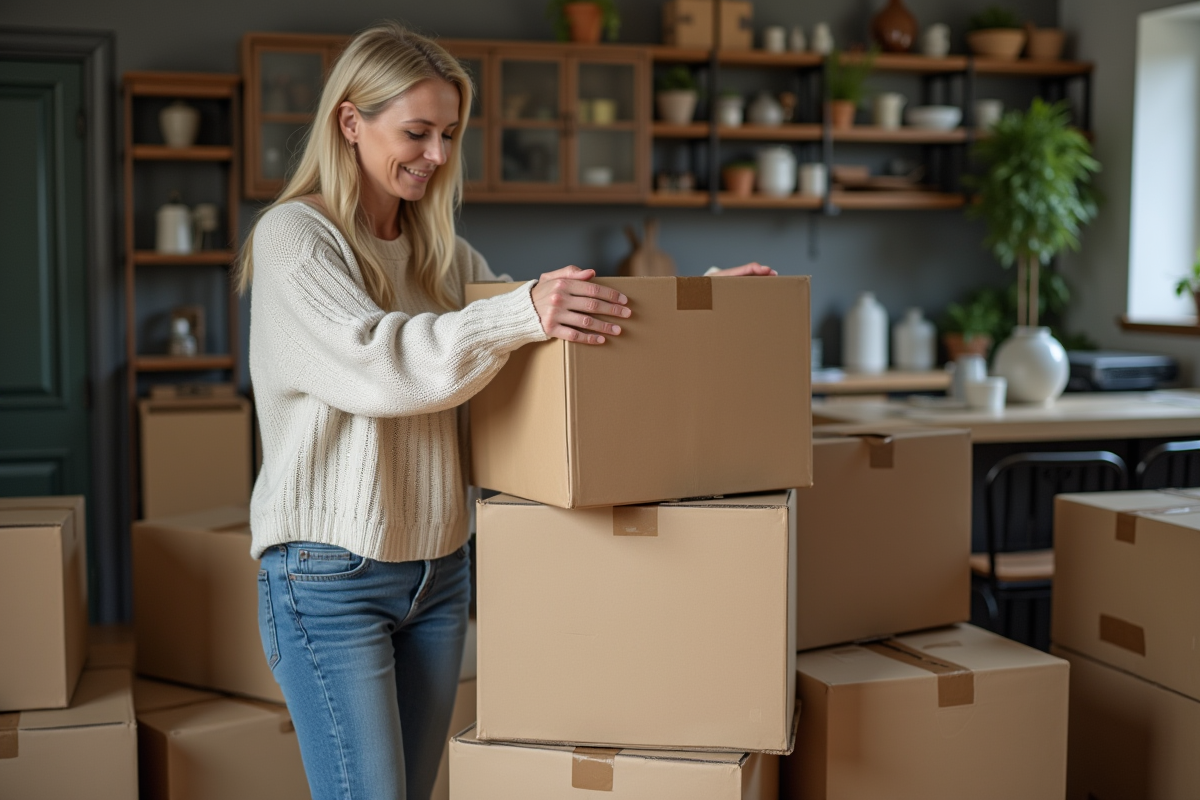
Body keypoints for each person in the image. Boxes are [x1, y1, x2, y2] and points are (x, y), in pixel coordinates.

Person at [237, 21, 775, 800]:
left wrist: (694, 301)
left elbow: (541, 343)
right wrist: (522, 310)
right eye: (417, 132)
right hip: (330, 579)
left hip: (440, 572)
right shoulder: (295, 237)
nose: (438, 154)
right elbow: (381, 364)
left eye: (450, 133)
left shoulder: (442, 254)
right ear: (350, 122)